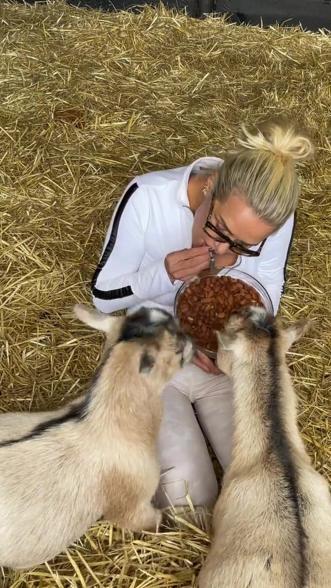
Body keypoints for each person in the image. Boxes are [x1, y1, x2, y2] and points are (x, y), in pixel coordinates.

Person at [91, 119, 313, 510]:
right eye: (219, 228)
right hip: (155, 346)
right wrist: (164, 272)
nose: (222, 248)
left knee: (270, 488)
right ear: (211, 188)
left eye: (244, 245)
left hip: (220, 356)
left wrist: (223, 337)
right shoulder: (147, 195)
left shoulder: (274, 217)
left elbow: (268, 295)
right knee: (191, 497)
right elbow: (103, 296)